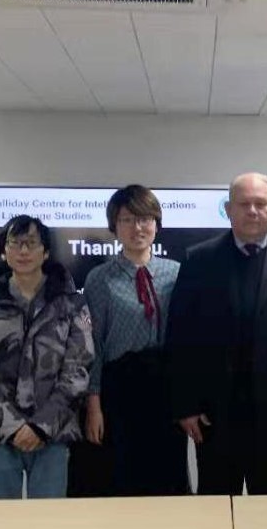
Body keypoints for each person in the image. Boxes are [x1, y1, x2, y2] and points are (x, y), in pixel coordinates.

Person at [166, 172, 267, 496]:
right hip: (213, 417)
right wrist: (185, 406)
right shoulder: (199, 260)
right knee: (216, 509)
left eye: (260, 204)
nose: (252, 210)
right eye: (243, 204)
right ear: (228, 209)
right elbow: (181, 337)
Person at [0, 215, 94, 499]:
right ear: (4, 251)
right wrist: (12, 427)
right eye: (15, 243)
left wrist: (40, 427)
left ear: (45, 252)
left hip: (53, 433)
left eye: (32, 243)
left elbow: (78, 370)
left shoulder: (71, 304)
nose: (23, 251)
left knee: (49, 518)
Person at [83, 185, 189, 496]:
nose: (137, 228)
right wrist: (93, 407)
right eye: (127, 220)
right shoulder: (100, 279)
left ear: (156, 223)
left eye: (144, 219)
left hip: (166, 390)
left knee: (167, 479)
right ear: (114, 226)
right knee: (121, 479)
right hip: (120, 389)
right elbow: (94, 345)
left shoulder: (177, 273)